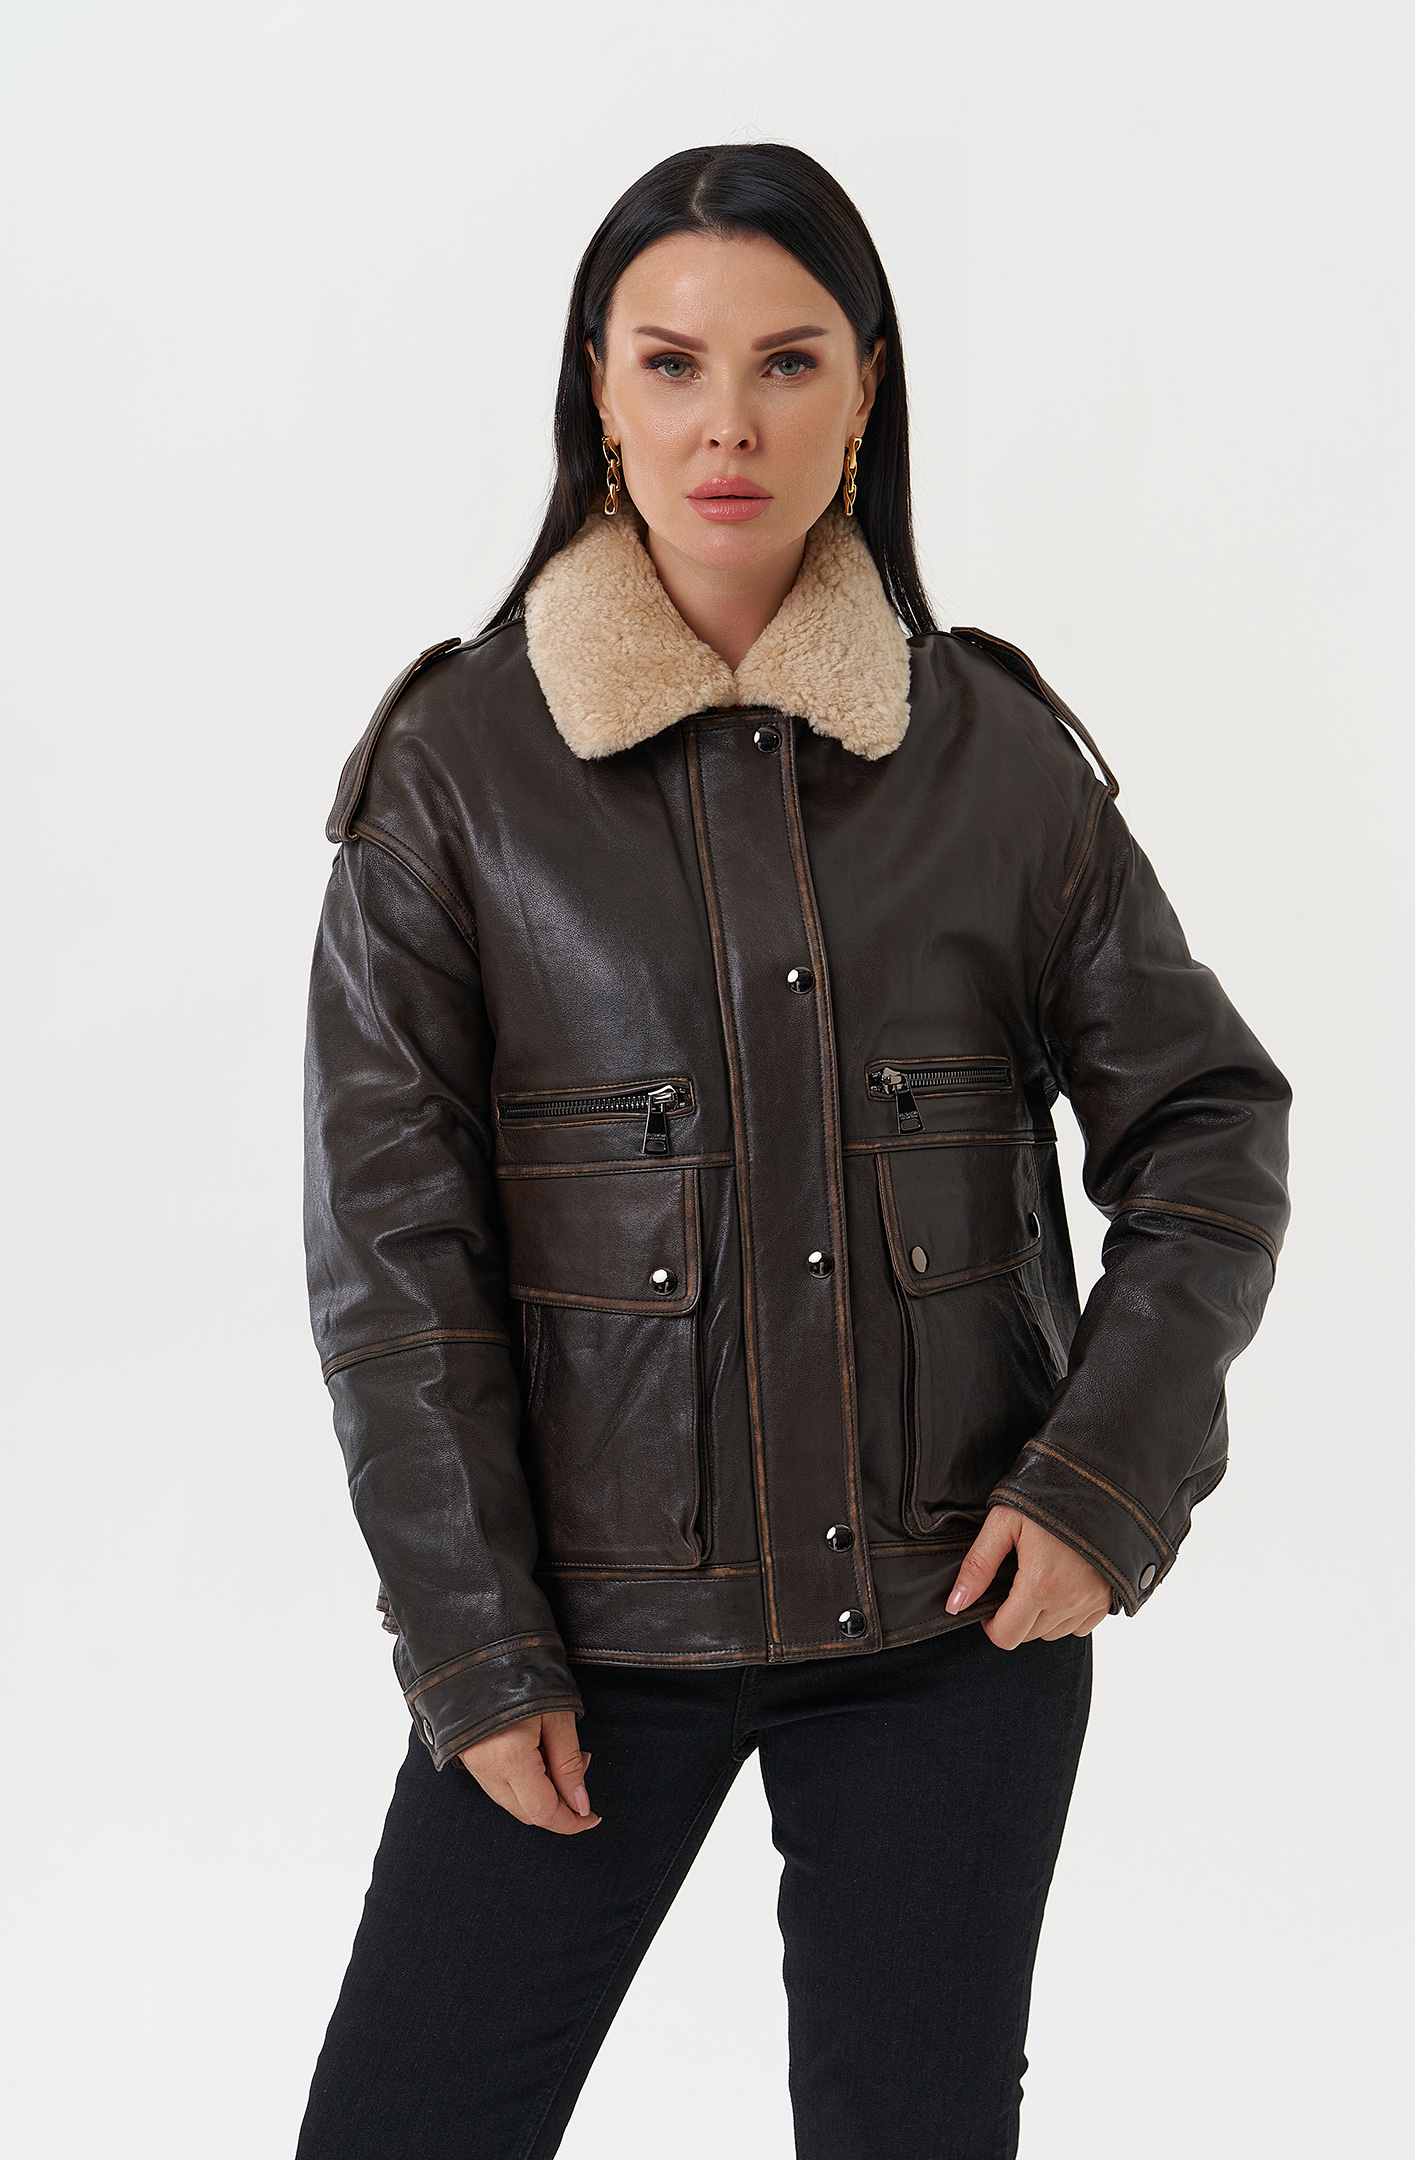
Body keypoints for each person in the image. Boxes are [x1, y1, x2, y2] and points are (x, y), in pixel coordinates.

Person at [296, 143, 1291, 2159]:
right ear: (599, 389)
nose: (727, 424)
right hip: (587, 1642)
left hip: (954, 1631)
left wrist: (1102, 1486)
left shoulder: (998, 760)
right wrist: (475, 1644)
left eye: (788, 361)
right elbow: (394, 1263)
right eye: (672, 364)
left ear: (867, 389)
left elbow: (1206, 1131)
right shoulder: (455, 778)